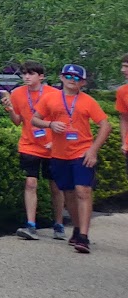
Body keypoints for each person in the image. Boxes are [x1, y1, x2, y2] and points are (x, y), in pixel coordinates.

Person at [36, 64, 111, 254]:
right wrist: (50, 124)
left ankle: (84, 237)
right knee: (69, 193)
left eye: (77, 78)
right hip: (59, 154)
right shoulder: (50, 98)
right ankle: (77, 228)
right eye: (68, 76)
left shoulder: (88, 101)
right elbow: (35, 119)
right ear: (61, 77)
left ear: (83, 82)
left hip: (82, 152)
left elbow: (105, 125)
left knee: (82, 191)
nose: (72, 80)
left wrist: (93, 151)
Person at [1, 63, 67, 239]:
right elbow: (17, 121)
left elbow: (64, 119)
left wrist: (55, 142)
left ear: (41, 76)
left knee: (55, 186)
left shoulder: (54, 94)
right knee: (30, 183)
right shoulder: (17, 93)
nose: (26, 77)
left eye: (31, 74)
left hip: (52, 146)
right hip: (28, 144)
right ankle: (31, 225)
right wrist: (8, 108)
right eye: (24, 74)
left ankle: (59, 224)